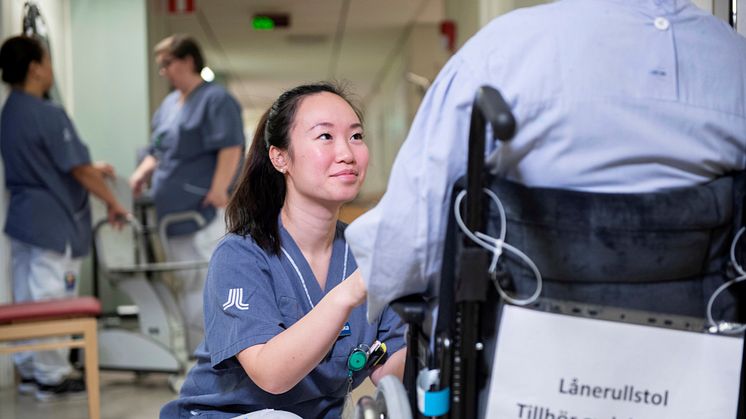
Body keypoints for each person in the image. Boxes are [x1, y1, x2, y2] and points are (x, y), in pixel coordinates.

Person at [345, 0, 746, 320]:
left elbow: (410, 247)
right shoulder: (733, 59)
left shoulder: (504, 52)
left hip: (521, 370)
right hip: (708, 365)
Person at [160, 83, 406, 419]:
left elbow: (388, 373)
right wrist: (349, 292)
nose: (347, 153)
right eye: (325, 136)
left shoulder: (367, 252)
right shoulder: (240, 255)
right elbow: (272, 375)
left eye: (356, 136)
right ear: (280, 157)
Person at [0, 35, 128, 400]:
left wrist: (91, 167)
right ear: (35, 68)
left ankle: (29, 371)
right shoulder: (47, 113)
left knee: (27, 299)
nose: (52, 69)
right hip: (52, 222)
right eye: (48, 61)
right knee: (51, 297)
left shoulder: (9, 112)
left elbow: (50, 161)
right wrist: (113, 202)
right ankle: (52, 375)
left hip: (24, 220)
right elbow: (77, 170)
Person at [129, 34, 245, 353]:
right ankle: (199, 352)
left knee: (211, 282)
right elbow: (158, 149)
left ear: (189, 61)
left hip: (205, 211)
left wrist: (220, 188)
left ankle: (223, 352)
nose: (163, 72)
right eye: (160, 66)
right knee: (186, 284)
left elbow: (230, 145)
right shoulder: (168, 105)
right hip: (174, 215)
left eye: (167, 64)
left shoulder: (215, 99)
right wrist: (141, 174)